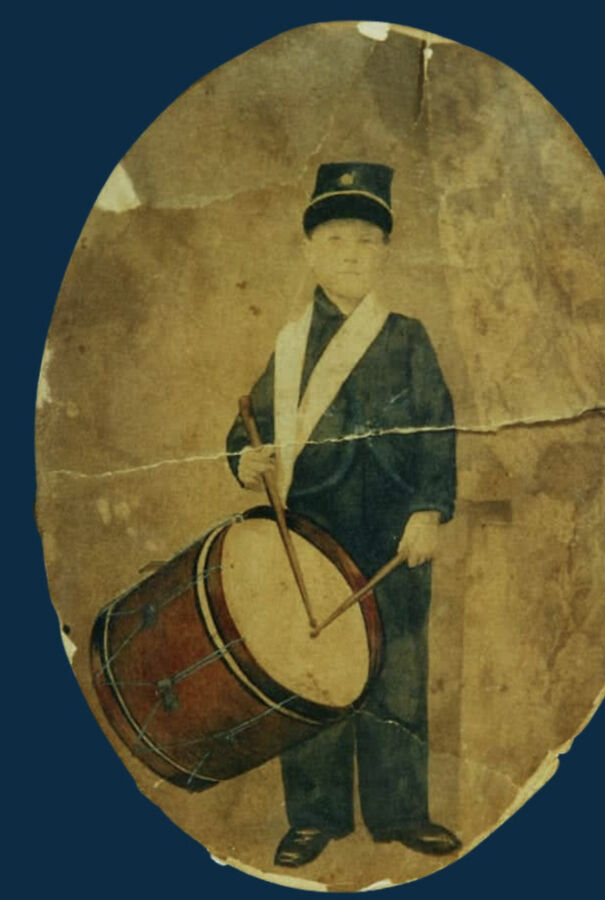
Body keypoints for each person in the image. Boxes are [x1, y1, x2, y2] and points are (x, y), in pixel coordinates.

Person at [226, 162, 460, 867]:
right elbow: (246, 431)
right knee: (314, 670)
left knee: (398, 671)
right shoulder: (291, 344)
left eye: (365, 239)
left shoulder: (408, 337)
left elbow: (438, 430)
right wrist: (246, 459)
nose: (351, 253)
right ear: (310, 251)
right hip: (311, 536)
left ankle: (400, 813)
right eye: (335, 238)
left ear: (384, 251)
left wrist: (429, 510)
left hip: (394, 535)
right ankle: (315, 816)